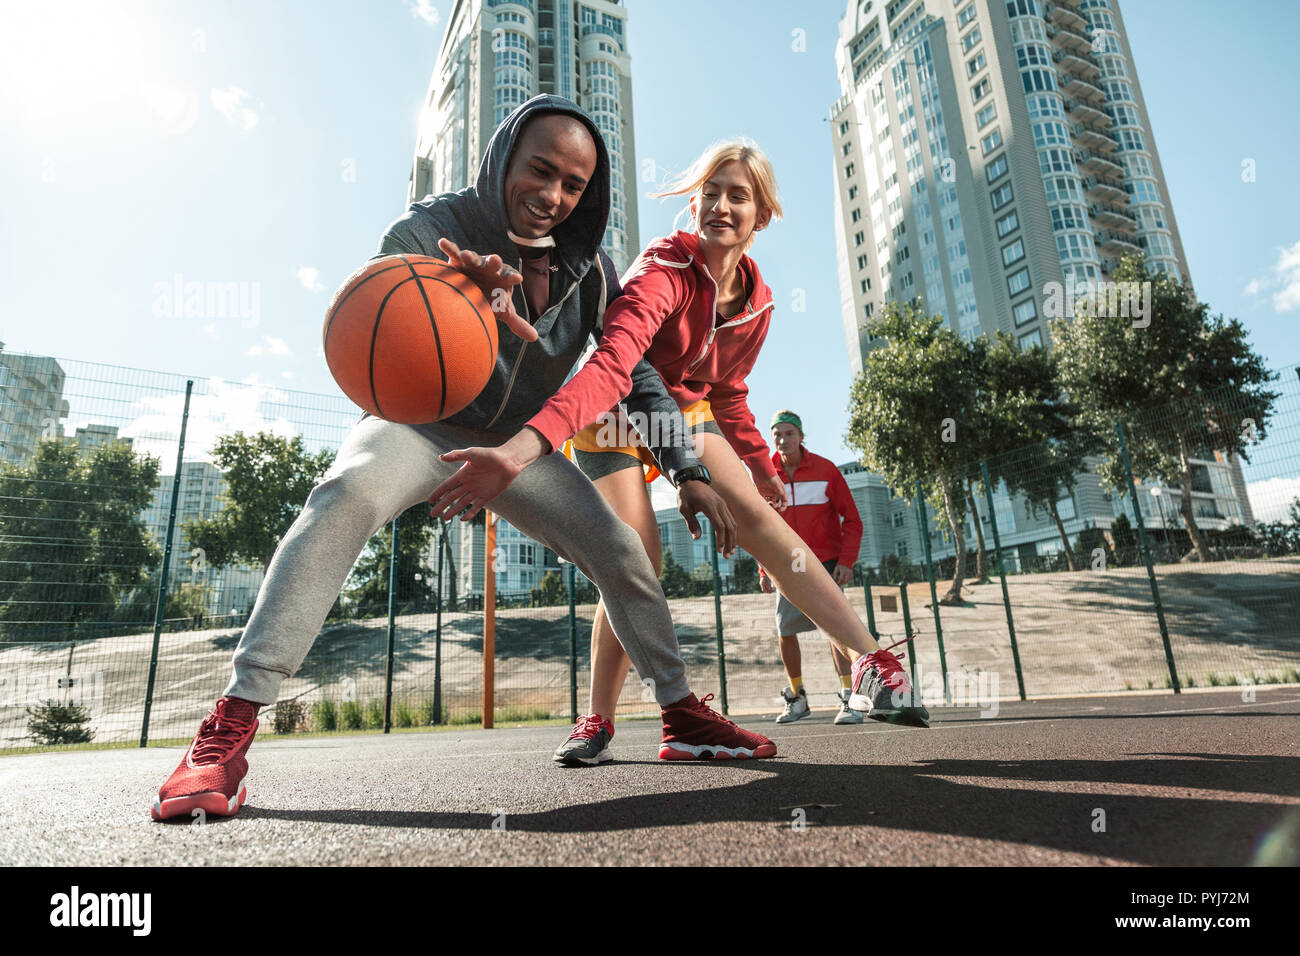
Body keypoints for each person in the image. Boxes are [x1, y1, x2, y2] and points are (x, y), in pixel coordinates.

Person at [151, 95, 776, 822]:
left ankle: (680, 715)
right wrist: (466, 298)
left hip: (519, 444)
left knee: (622, 548)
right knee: (346, 494)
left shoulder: (595, 273)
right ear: (504, 158)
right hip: (417, 426)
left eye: (572, 185)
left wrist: (688, 470)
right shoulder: (430, 227)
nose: (551, 196)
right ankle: (229, 726)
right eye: (540, 171)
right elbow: (373, 313)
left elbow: (633, 374)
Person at [425, 139, 930, 769]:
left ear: (760, 214)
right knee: (634, 555)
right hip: (615, 413)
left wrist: (762, 468)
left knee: (751, 510)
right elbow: (616, 364)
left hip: (685, 413)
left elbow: (727, 391)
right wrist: (530, 445)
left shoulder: (757, 301)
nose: (720, 205)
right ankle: (597, 718)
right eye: (710, 193)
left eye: (737, 195)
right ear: (694, 204)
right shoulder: (663, 268)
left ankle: (869, 660)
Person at [760, 410, 865, 726]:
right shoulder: (765, 475)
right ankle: (798, 697)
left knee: (836, 633)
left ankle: (849, 698)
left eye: (789, 433)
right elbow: (760, 527)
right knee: (785, 630)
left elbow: (854, 521)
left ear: (801, 437)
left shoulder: (826, 470)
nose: (783, 439)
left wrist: (846, 562)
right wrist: (764, 569)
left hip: (825, 566)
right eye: (777, 434)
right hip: (786, 565)